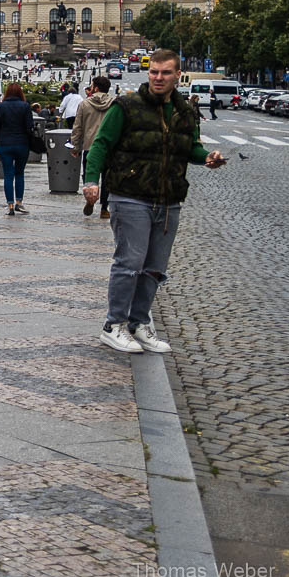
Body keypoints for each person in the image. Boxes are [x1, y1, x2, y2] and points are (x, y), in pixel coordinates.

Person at [82, 49, 225, 354]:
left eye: (165, 73)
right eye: (154, 72)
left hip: (169, 197)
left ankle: (138, 323)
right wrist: (91, 180)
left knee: (155, 268)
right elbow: (101, 144)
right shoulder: (127, 106)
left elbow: (192, 148)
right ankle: (114, 325)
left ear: (177, 75)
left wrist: (207, 158)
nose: (158, 78)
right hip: (130, 195)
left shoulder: (186, 111)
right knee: (129, 263)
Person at [72, 75, 116, 218]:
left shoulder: (85, 104)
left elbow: (77, 128)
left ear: (95, 88)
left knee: (89, 176)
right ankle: (104, 207)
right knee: (107, 179)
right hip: (109, 148)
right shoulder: (115, 103)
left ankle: (90, 200)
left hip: (90, 146)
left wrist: (75, 147)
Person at [0, 81, 36, 214]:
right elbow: (30, 127)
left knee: (8, 175)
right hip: (22, 143)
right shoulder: (25, 106)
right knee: (20, 173)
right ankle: (19, 202)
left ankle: (10, 205)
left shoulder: (0, 107)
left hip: (5, 144)